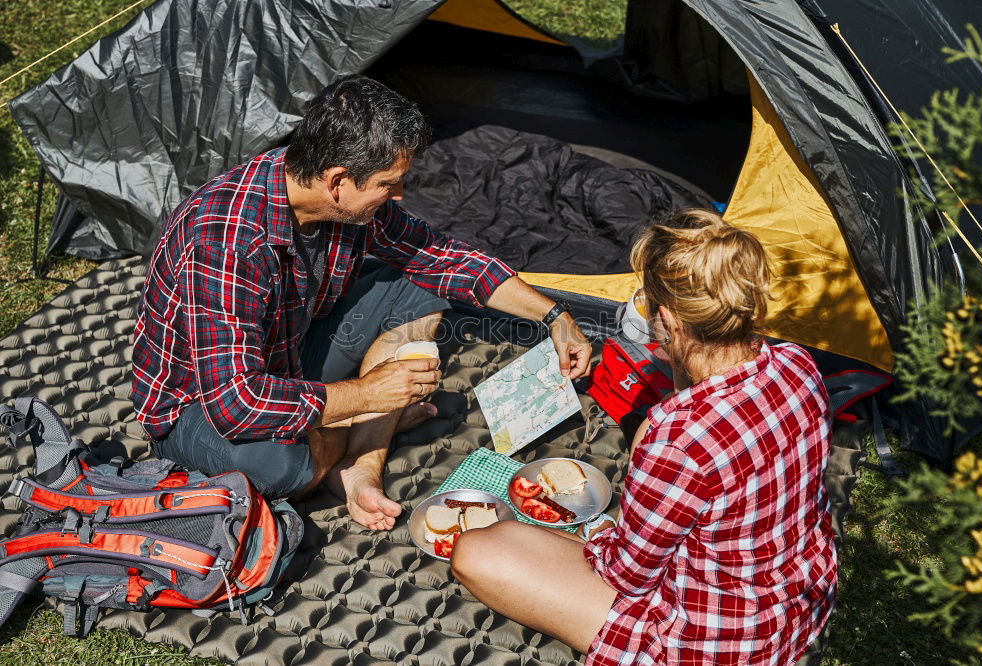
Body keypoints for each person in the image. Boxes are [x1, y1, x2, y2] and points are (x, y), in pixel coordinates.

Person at [132, 75, 591, 530]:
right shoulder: (227, 241)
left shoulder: (334, 199)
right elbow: (236, 405)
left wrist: (555, 316)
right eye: (389, 184)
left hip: (285, 357)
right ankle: (361, 433)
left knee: (422, 286)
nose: (399, 195)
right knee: (278, 468)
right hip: (198, 409)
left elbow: (438, 258)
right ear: (338, 181)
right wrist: (370, 396)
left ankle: (359, 468)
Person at [451, 209, 837, 664]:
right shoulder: (797, 364)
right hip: (798, 600)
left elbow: (628, 575)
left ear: (670, 320)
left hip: (716, 641)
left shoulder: (676, 438)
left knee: (478, 551)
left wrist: (595, 535)